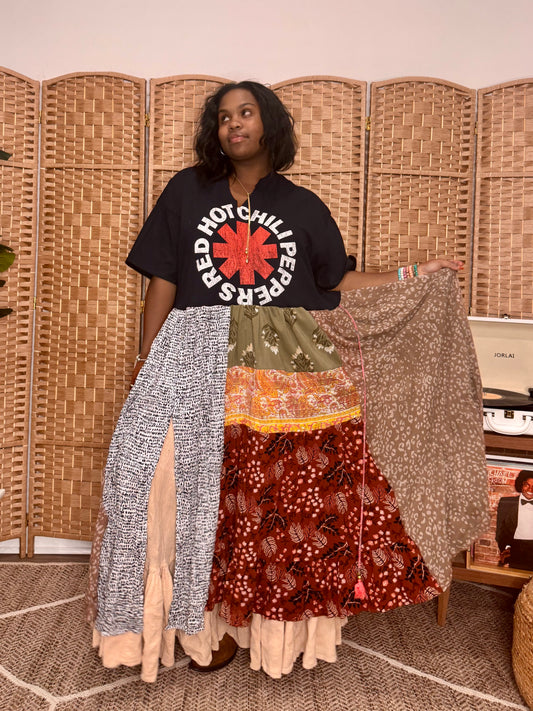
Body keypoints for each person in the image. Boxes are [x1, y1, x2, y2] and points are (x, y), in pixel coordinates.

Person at [87, 80, 466, 682]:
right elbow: (162, 278)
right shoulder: (187, 190)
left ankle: (254, 630)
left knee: (268, 498)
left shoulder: (303, 205)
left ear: (270, 125)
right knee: (160, 485)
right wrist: (146, 359)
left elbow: (336, 283)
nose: (234, 124)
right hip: (192, 351)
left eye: (246, 113)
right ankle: (191, 628)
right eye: (223, 117)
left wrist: (414, 272)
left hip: (283, 366)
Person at [496, 470, 533, 571]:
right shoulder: (506, 503)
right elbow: (500, 529)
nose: (531, 489)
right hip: (515, 548)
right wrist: (506, 548)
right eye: (527, 485)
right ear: (521, 485)